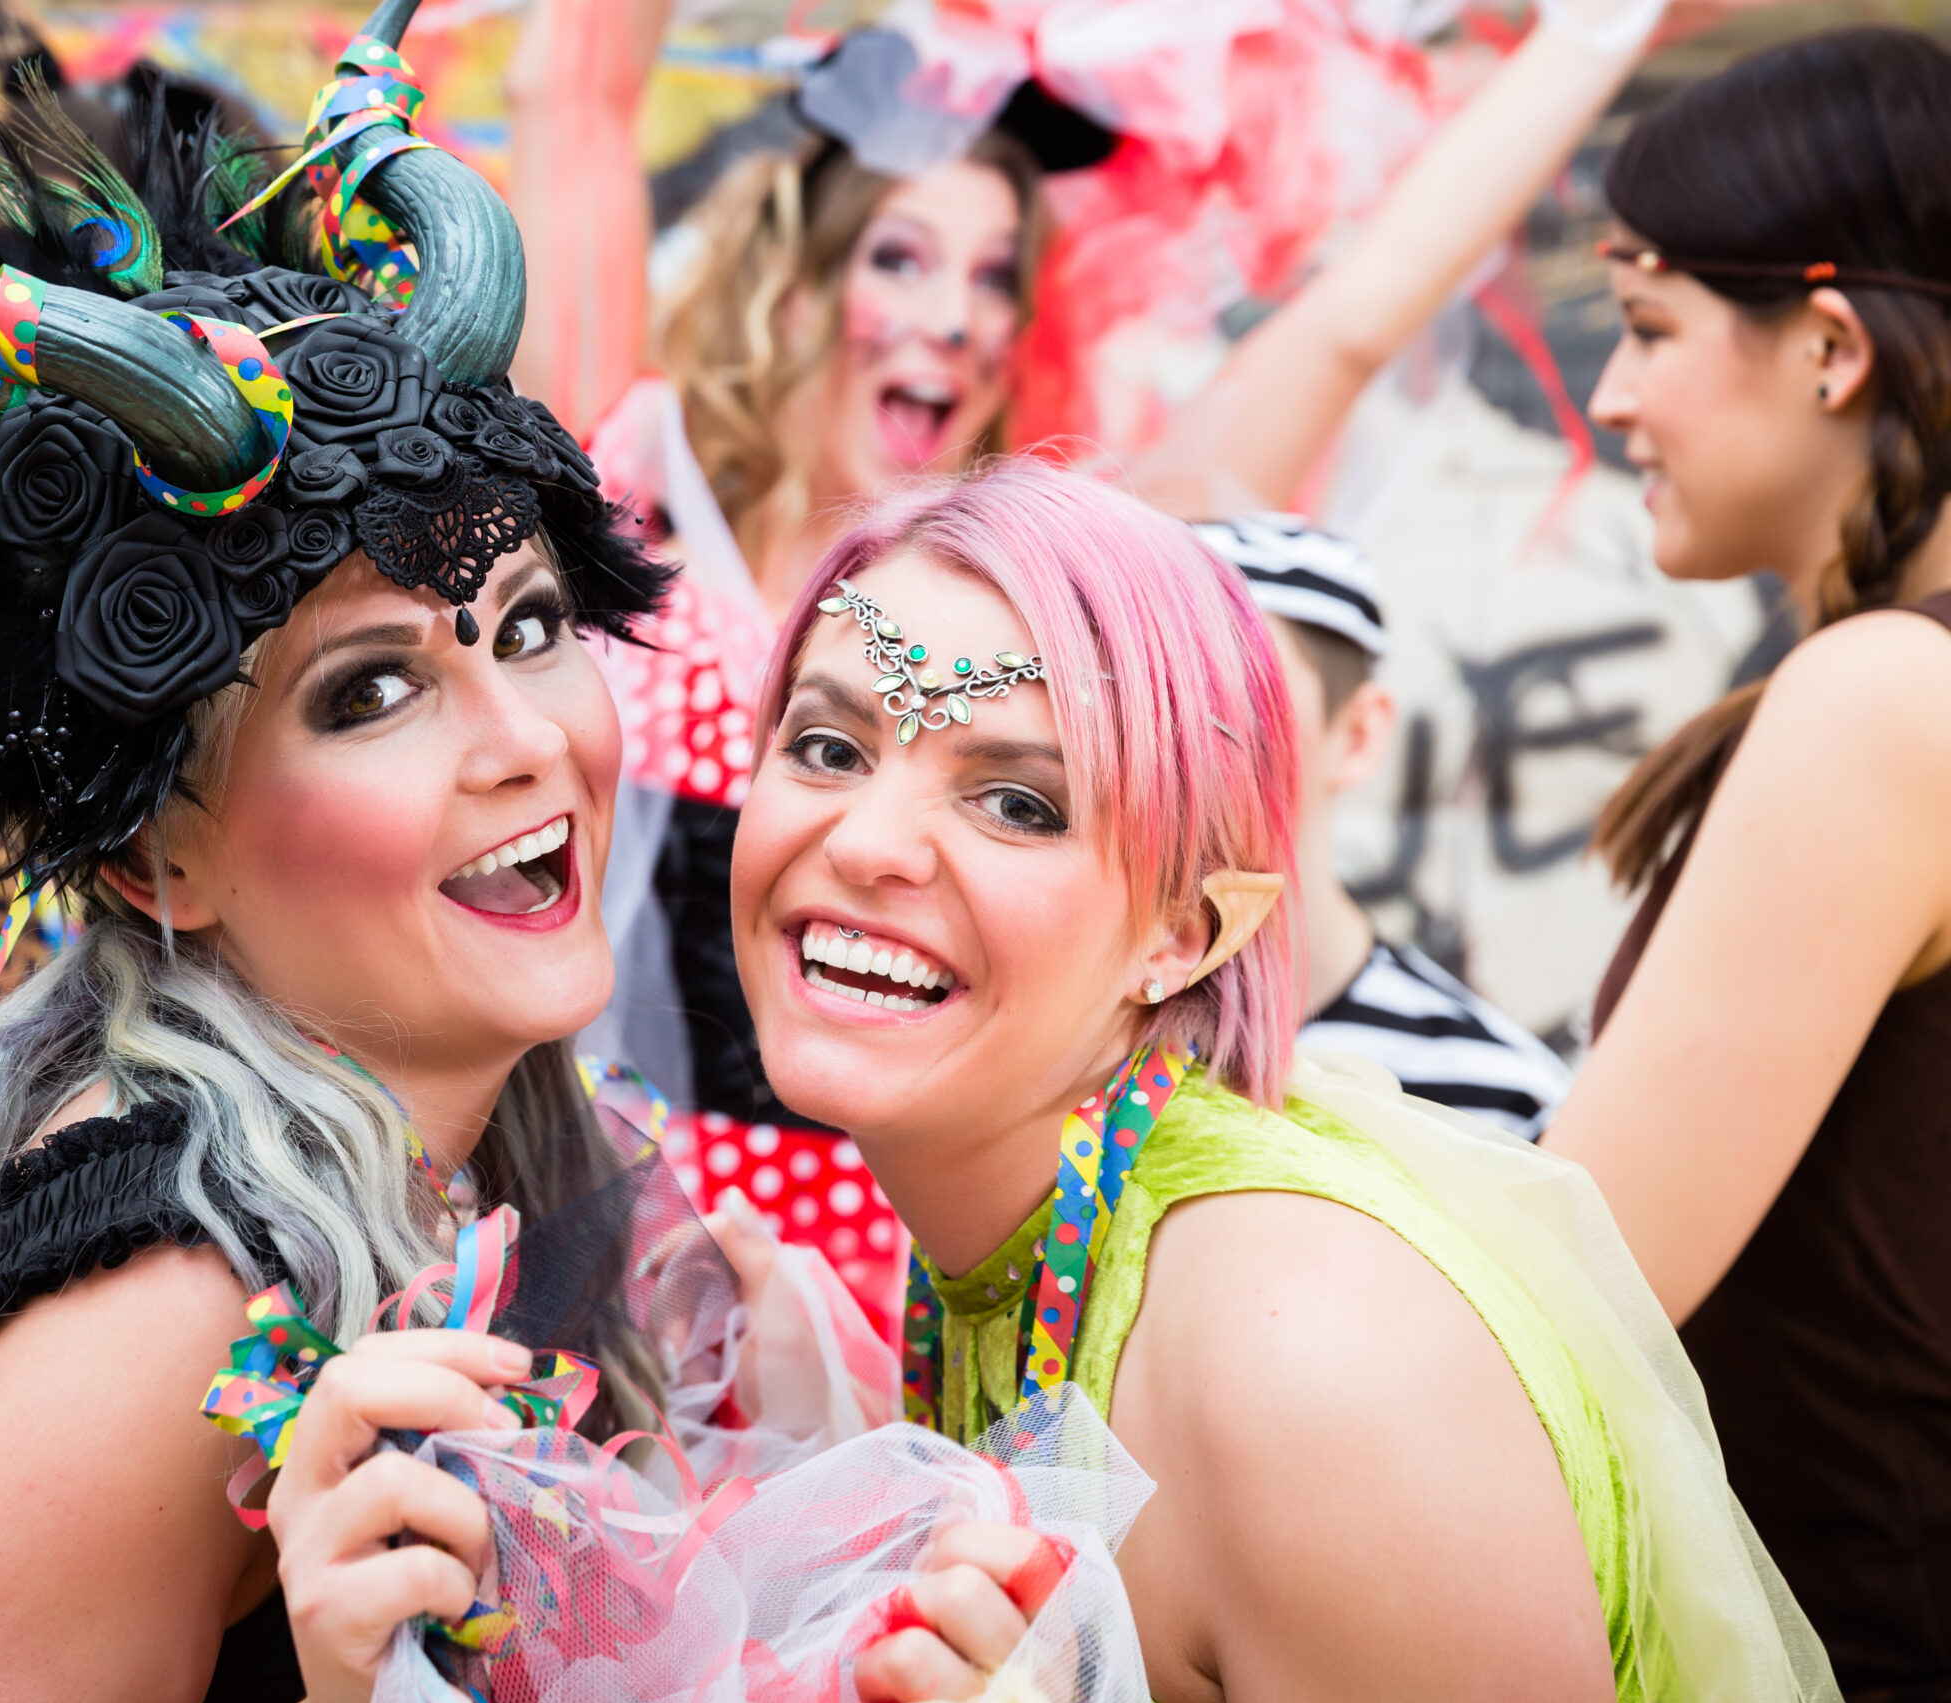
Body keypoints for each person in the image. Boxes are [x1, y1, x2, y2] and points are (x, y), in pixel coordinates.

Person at [0, 15, 1003, 1701]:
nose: (522, 735)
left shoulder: (508, 1159)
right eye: (371, 692)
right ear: (155, 864)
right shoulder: (152, 1318)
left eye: (528, 623)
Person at [504, 0, 1713, 1320]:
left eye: (994, 276)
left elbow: (1350, 325)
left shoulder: (1080, 590)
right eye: (903, 258)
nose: (954, 317)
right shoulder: (623, 518)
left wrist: (1596, 31)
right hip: (616, 1293)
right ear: (799, 282)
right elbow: (574, 100)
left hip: (918, 1311)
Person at [729, 460, 1835, 1703]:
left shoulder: (1313, 1367)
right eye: (826, 746)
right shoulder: (1002, 1233)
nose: (867, 844)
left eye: (1017, 805)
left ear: (1185, 936)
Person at [1534, 29, 1951, 1695]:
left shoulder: (1888, 698)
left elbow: (1571, 1293)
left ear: (1832, 345)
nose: (1614, 400)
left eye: (1646, 330)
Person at [1194, 513, 1573, 1139]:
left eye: (1233, 688)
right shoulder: (1038, 1022)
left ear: (1358, 736)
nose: (1171, 725)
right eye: (1133, 685)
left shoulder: (1500, 1108)